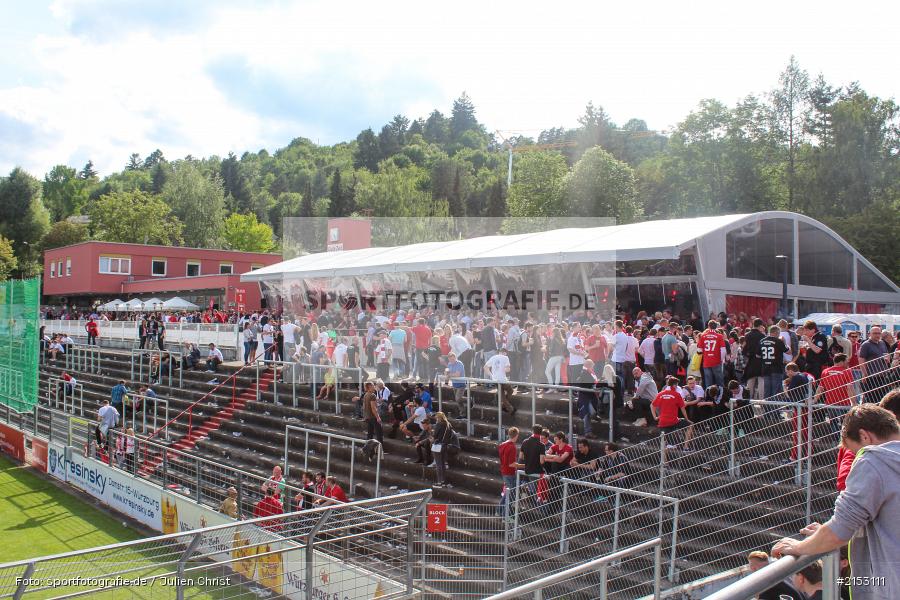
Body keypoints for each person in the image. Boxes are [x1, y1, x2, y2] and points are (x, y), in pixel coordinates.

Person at [772, 404, 900, 600]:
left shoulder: (874, 461)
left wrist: (799, 547)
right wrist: (824, 533)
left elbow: (838, 532)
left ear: (865, 436)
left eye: (854, 450)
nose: (856, 456)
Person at [815, 353, 854, 434]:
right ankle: (842, 442)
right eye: (846, 361)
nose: (848, 363)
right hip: (844, 404)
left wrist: (814, 400)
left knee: (833, 423)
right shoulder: (847, 371)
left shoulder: (825, 371)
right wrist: (854, 403)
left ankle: (835, 441)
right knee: (845, 424)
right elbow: (850, 388)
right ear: (841, 362)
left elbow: (820, 388)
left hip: (830, 403)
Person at [652, 376, 693, 452]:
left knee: (665, 445)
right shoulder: (677, 394)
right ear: (674, 385)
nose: (677, 386)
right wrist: (687, 419)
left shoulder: (661, 394)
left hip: (662, 423)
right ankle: (685, 447)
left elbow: (652, 405)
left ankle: (664, 463)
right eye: (676, 385)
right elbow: (683, 409)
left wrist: (655, 417)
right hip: (673, 421)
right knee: (690, 425)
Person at [859, 326, 890, 403]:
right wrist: (864, 373)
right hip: (871, 377)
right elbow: (861, 359)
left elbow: (886, 354)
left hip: (883, 376)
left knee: (882, 399)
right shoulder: (866, 344)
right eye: (875, 333)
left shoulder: (882, 343)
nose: (877, 335)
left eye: (879, 333)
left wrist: (888, 358)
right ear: (869, 334)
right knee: (871, 400)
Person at [484, 347, 516, 415]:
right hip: (502, 379)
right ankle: (510, 409)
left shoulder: (493, 357)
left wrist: (491, 375)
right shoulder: (505, 358)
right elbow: (507, 370)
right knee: (510, 391)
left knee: (502, 395)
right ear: (504, 353)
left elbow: (485, 367)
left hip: (495, 379)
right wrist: (505, 369)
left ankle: (504, 406)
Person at [498, 426, 523, 515]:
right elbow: (511, 464)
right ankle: (505, 515)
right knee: (511, 495)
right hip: (509, 473)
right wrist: (524, 466)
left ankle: (499, 511)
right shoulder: (512, 447)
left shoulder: (502, 444)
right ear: (516, 435)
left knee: (507, 493)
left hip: (504, 471)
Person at [699, 320, 727, 389]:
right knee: (719, 381)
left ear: (708, 326)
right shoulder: (719, 336)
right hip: (716, 361)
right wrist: (721, 359)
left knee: (709, 382)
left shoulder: (703, 336)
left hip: (706, 361)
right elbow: (723, 350)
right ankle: (722, 395)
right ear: (716, 326)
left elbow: (699, 350)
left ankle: (709, 397)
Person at [431, 411, 453, 486]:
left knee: (438, 465)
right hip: (445, 445)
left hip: (438, 446)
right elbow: (451, 436)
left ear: (438, 418)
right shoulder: (448, 424)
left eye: (436, 417)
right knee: (443, 464)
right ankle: (443, 481)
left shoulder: (438, 425)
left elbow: (434, 436)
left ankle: (439, 481)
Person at [361, 381, 383, 446]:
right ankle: (380, 449)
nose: (374, 387)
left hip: (368, 417)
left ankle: (367, 447)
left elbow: (365, 406)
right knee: (379, 433)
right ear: (369, 387)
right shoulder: (372, 395)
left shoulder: (365, 395)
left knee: (370, 434)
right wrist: (378, 417)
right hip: (373, 417)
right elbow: (373, 408)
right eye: (373, 386)